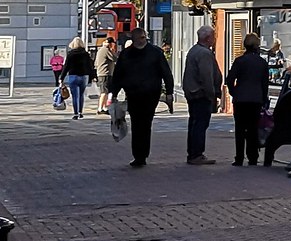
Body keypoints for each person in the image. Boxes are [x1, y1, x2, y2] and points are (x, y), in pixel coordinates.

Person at [107, 28, 174, 168]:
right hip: (133, 93)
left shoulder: (155, 53)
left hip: (151, 94)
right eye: (139, 38)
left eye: (143, 38)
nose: (141, 41)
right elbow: (118, 75)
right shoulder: (126, 54)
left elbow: (166, 73)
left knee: (146, 123)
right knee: (137, 124)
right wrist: (113, 93)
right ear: (134, 39)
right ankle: (138, 155)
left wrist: (169, 92)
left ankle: (142, 154)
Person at [224, 33, 270, 166]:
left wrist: (234, 93)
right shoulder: (262, 63)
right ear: (257, 46)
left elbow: (230, 79)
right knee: (253, 128)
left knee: (240, 129)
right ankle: (253, 157)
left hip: (240, 100)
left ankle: (239, 158)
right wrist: (263, 98)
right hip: (255, 100)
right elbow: (264, 84)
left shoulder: (239, 61)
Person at [182, 26, 222, 166]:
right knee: (200, 123)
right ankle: (196, 154)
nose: (214, 38)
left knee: (194, 123)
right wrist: (212, 94)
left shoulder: (194, 50)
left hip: (193, 93)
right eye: (213, 36)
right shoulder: (204, 53)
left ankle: (193, 153)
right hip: (201, 94)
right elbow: (207, 76)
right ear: (207, 38)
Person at [61, 38, 96, 120]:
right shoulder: (86, 54)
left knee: (75, 96)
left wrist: (61, 77)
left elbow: (66, 67)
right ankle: (80, 112)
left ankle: (76, 113)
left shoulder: (70, 54)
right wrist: (93, 76)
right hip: (84, 76)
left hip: (73, 76)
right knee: (81, 95)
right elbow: (90, 66)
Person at [94, 37, 117, 115]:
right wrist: (113, 52)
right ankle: (100, 108)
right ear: (110, 43)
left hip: (101, 73)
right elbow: (114, 58)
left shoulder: (100, 50)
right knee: (104, 92)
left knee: (106, 91)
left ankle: (104, 107)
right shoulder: (106, 50)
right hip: (105, 73)